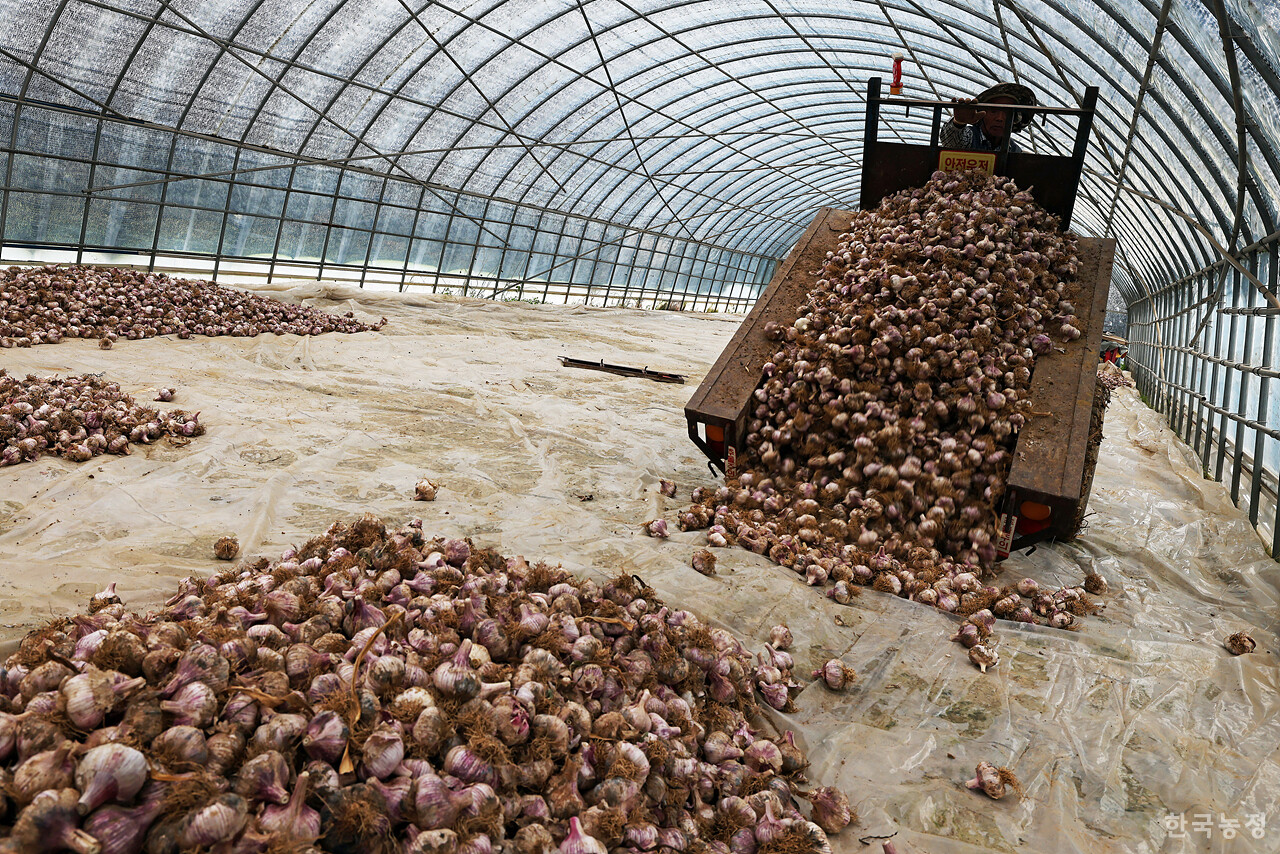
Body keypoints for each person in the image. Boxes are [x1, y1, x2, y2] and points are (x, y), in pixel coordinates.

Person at [940, 82, 1036, 153]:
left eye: (1008, 113)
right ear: (983, 113)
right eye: (993, 111)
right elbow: (951, 142)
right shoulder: (971, 136)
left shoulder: (1013, 149)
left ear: (1014, 119)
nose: (1000, 118)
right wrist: (959, 123)